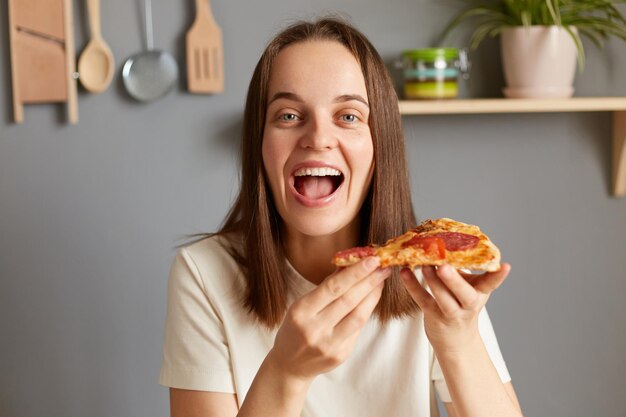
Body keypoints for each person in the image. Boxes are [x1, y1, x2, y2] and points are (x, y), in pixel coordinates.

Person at [159, 17, 524, 417]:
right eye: (288, 115)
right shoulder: (203, 272)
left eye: (348, 116)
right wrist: (286, 372)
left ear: (378, 145)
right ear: (259, 145)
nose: (317, 137)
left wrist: (458, 338)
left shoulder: (430, 267)